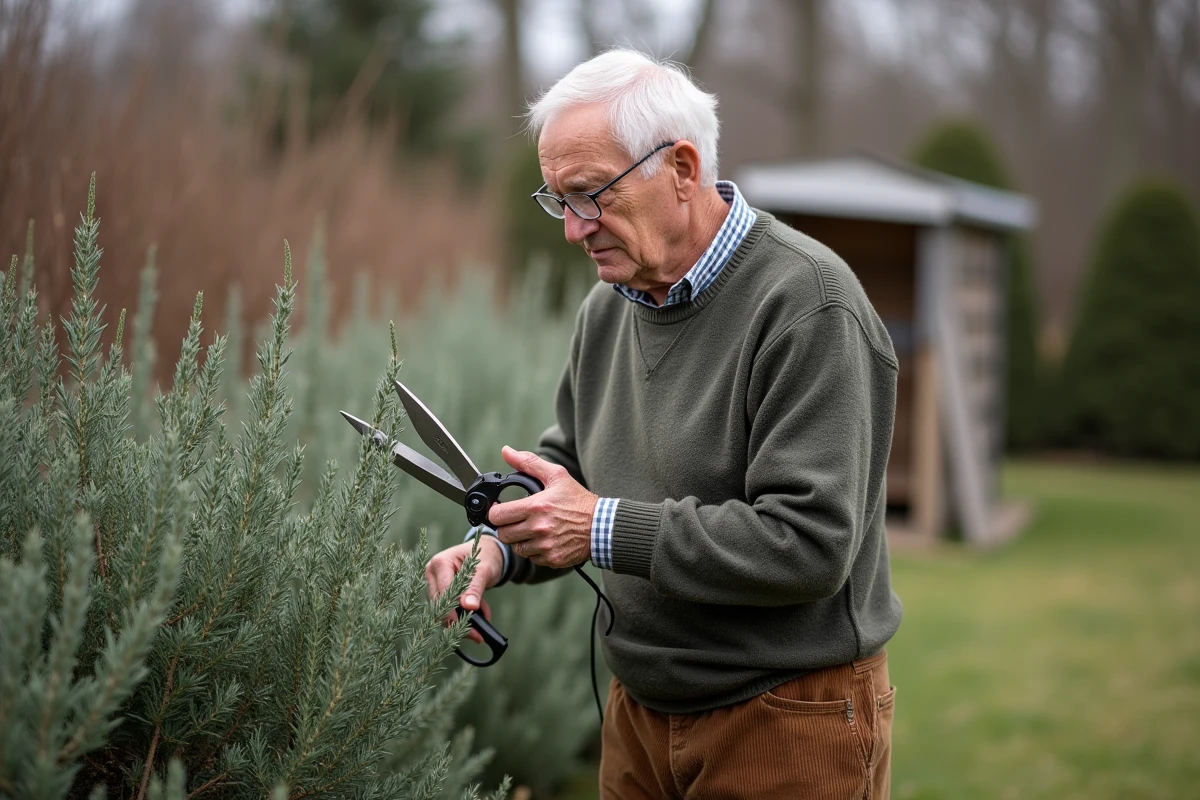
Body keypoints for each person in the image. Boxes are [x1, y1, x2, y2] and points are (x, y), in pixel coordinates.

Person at [424, 48, 902, 799]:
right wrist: (498, 551)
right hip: (638, 714)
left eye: (590, 195)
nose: (574, 231)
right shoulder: (607, 308)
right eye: (557, 201)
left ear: (681, 168)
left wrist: (601, 527)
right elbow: (571, 472)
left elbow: (810, 544)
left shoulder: (808, 303)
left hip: (785, 719)